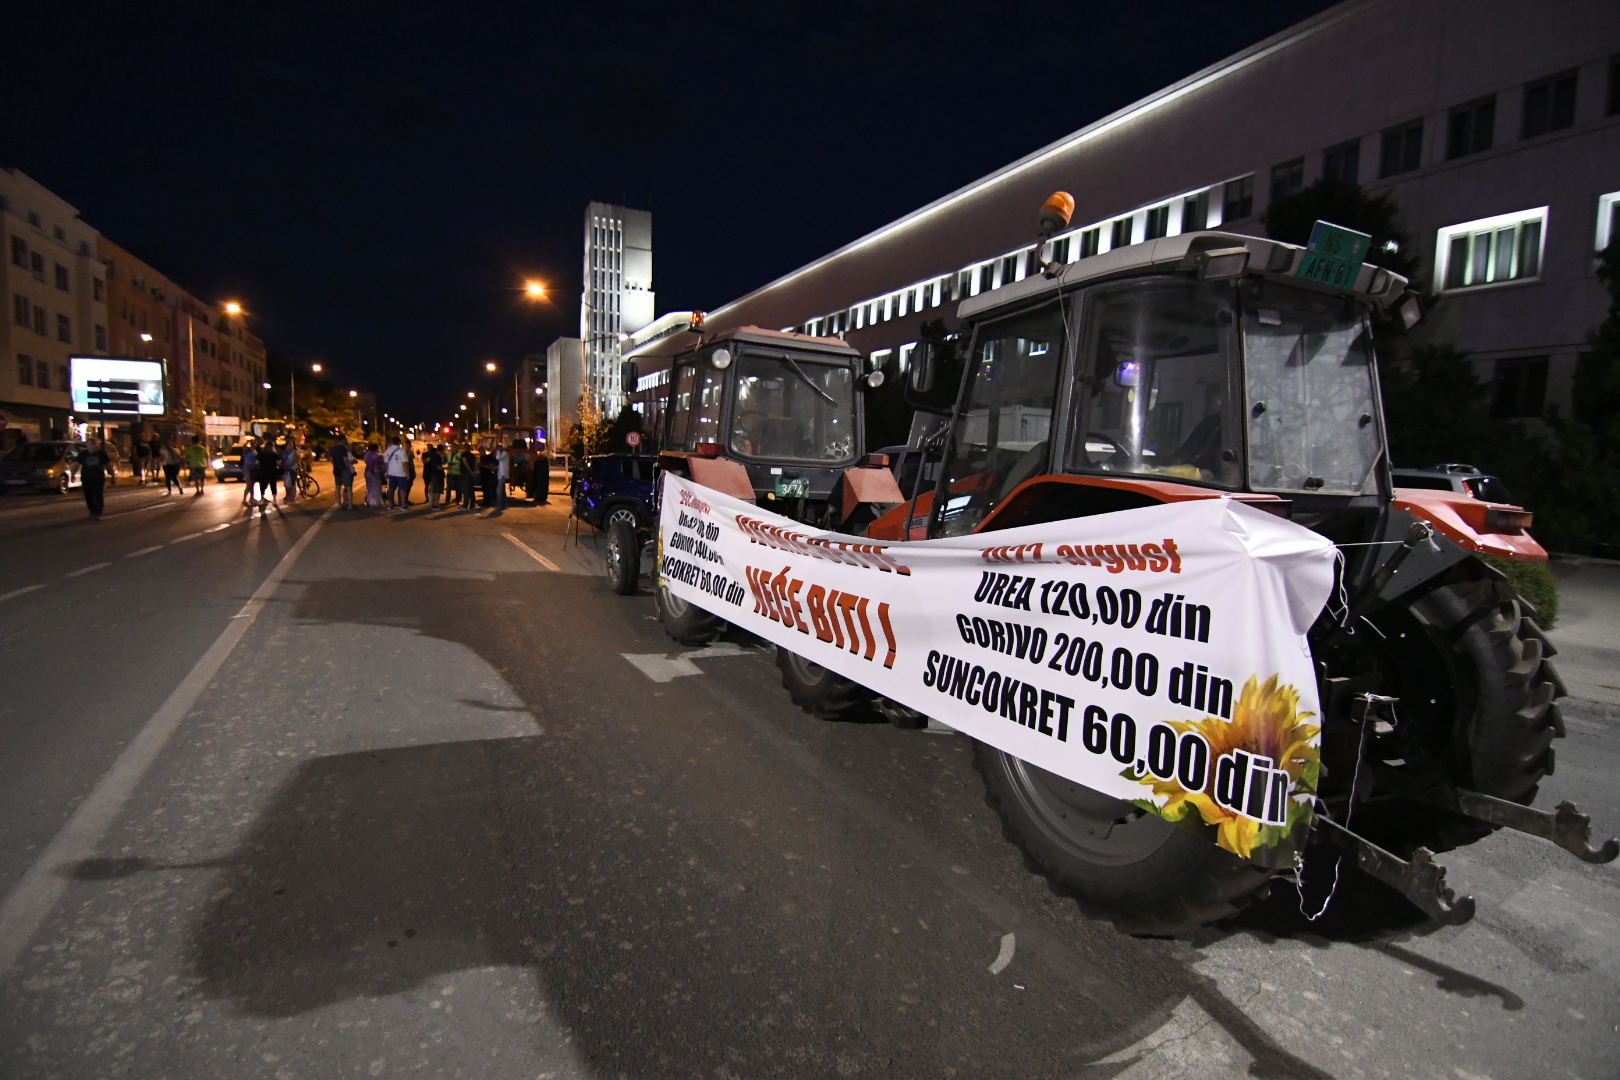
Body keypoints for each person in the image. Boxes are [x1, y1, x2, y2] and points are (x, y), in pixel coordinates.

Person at [80, 441, 110, 518]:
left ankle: (98, 512)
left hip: (98, 477)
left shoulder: (101, 454)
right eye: (90, 444)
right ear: (87, 446)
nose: (92, 446)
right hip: (86, 478)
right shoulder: (83, 454)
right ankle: (92, 510)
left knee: (98, 494)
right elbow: (77, 464)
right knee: (88, 495)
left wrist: (112, 475)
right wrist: (73, 474)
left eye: (94, 444)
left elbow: (108, 465)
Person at [254, 438, 282, 513]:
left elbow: (256, 462)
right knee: (273, 485)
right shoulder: (274, 454)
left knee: (263, 485)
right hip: (272, 471)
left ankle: (262, 499)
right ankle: (274, 500)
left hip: (263, 471)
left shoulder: (261, 453)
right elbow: (279, 463)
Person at [329, 436, 356, 509]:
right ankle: (350, 505)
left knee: (338, 487)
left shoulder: (332, 449)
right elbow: (345, 460)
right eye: (346, 439)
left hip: (336, 469)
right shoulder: (343, 448)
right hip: (344, 469)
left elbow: (331, 459)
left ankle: (339, 505)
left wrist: (335, 465)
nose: (346, 441)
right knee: (348, 487)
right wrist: (349, 470)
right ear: (343, 440)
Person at [383, 436, 408, 509]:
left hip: (391, 473)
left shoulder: (387, 451)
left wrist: (387, 472)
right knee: (402, 489)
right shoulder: (402, 451)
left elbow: (386, 463)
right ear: (399, 442)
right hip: (401, 473)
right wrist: (407, 474)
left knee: (391, 489)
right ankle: (403, 505)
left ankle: (391, 504)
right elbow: (405, 463)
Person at [422, 443, 444, 509]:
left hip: (432, 474)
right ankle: (435, 505)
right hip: (437, 475)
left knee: (433, 490)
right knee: (437, 491)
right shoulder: (437, 457)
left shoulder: (432, 456)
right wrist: (448, 468)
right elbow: (438, 467)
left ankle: (433, 504)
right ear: (441, 450)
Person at [363, 443, 385, 508]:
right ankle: (376, 502)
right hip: (375, 473)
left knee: (369, 487)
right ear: (376, 448)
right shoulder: (377, 456)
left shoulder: (367, 455)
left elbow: (366, 461)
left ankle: (369, 501)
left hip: (367, 471)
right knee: (376, 487)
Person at [239, 441, 259, 507]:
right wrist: (248, 441)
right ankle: (244, 500)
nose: (254, 444)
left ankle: (251, 498)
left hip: (253, 469)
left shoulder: (255, 452)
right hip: (247, 469)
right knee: (249, 484)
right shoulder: (248, 450)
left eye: (255, 443)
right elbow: (243, 447)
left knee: (252, 484)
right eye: (253, 443)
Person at [494, 442, 511, 511]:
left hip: (503, 474)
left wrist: (498, 451)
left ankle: (500, 505)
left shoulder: (504, 453)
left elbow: (497, 458)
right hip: (501, 474)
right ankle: (505, 504)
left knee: (499, 490)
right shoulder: (503, 454)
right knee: (502, 490)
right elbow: (501, 464)